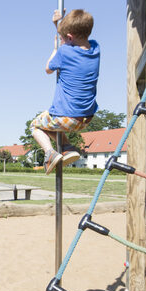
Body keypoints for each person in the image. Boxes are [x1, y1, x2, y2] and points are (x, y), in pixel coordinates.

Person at [30, 9, 100, 174]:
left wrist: (55, 50)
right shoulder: (96, 49)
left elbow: (48, 69)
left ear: (69, 37)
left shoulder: (63, 52)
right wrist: (58, 25)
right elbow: (72, 39)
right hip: (85, 118)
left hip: (66, 117)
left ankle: (50, 153)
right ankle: (67, 148)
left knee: (35, 126)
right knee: (52, 124)